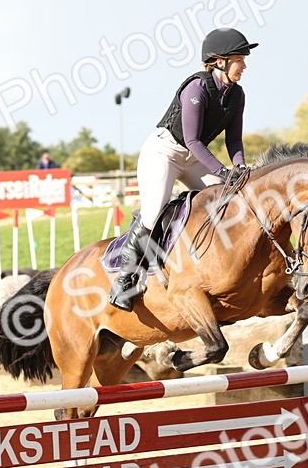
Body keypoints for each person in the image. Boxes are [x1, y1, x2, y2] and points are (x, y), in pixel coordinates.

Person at [108, 27, 256, 311]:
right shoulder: (197, 88)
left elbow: (234, 139)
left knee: (229, 202)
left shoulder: (237, 95)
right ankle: (124, 279)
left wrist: (239, 167)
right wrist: (223, 172)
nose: (245, 65)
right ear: (219, 60)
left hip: (195, 157)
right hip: (164, 152)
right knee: (153, 212)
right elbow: (191, 140)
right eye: (240, 58)